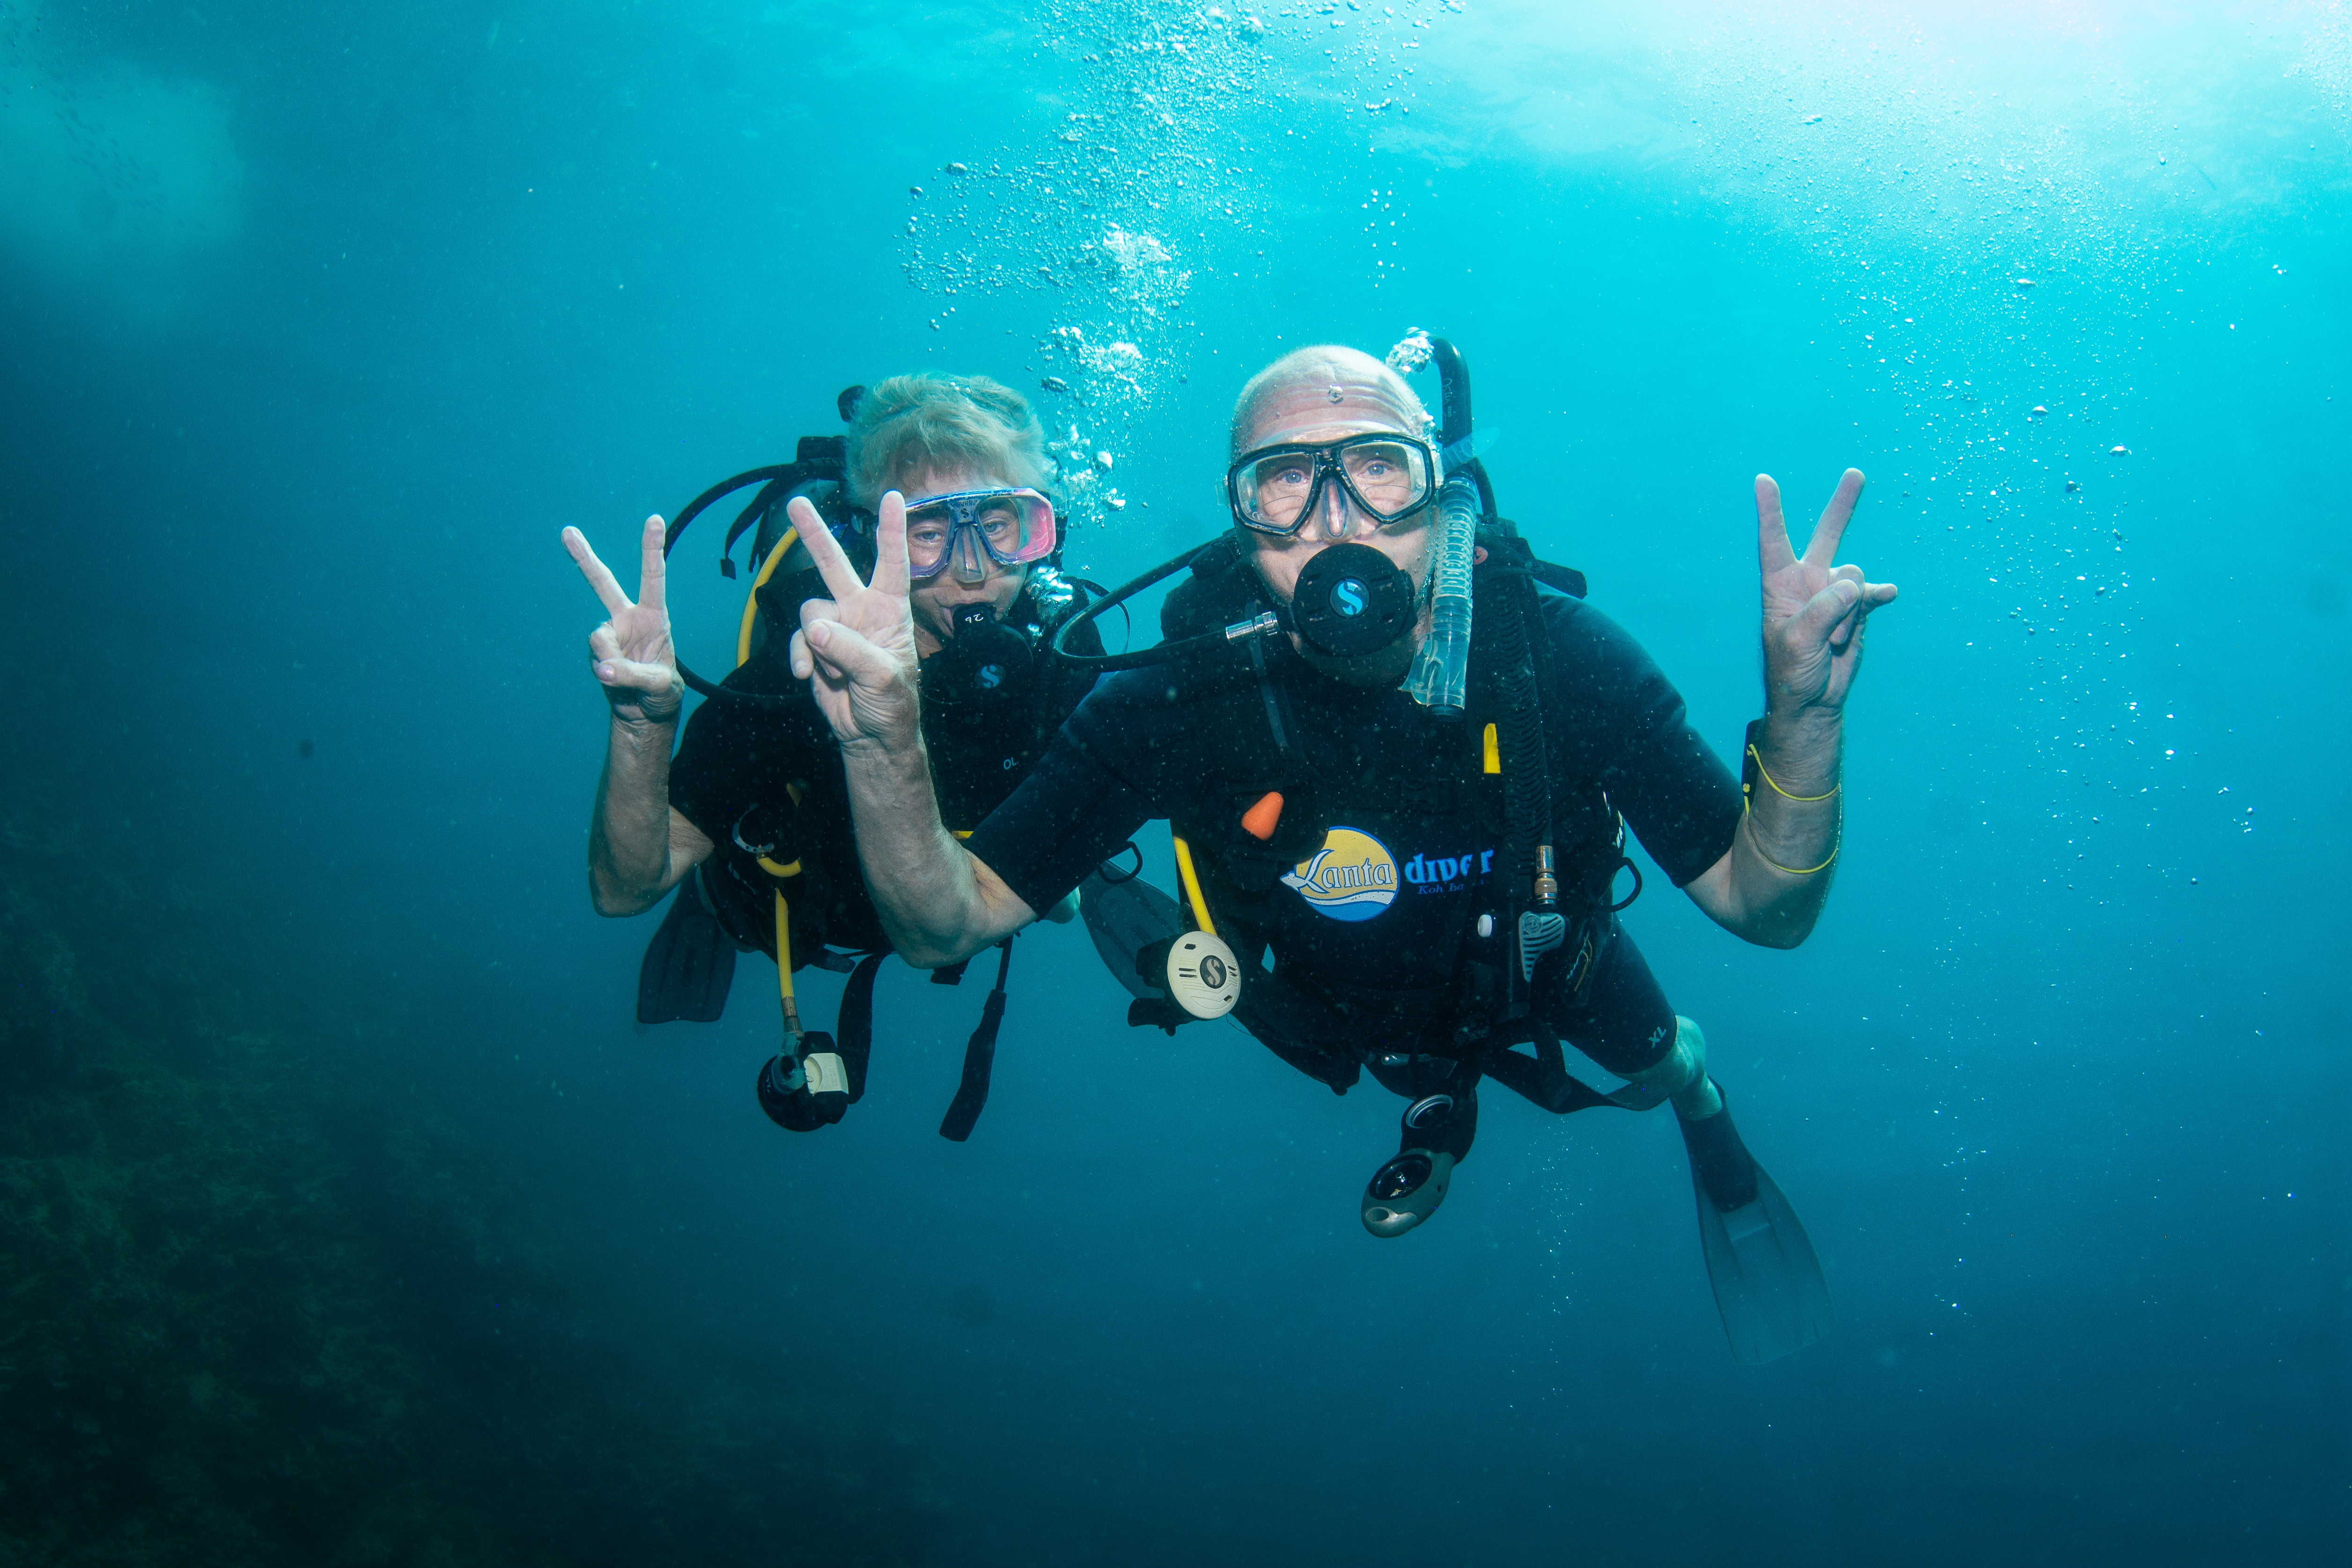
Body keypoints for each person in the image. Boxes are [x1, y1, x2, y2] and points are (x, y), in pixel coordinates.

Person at [783, 343, 1897, 1362]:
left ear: (1438, 491)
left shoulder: (1556, 654)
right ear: (1239, 519)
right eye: (1283, 480)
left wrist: (1805, 717)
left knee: (1663, 1066)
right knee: (1411, 1072)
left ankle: (1694, 1097)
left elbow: (1768, 907)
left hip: (1547, 961)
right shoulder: (1175, 696)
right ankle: (1438, 1111)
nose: (1335, 520)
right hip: (1319, 1007)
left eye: (1376, 467)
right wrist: (882, 739)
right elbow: (943, 922)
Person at [560, 373, 1098, 1138]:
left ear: (1041, 529)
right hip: (792, 915)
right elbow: (622, 888)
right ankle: (709, 905)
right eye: (928, 532)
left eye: (1003, 524)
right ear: (866, 536)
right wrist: (644, 722)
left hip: (965, 907)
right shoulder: (802, 669)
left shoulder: (1066, 652)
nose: (973, 569)